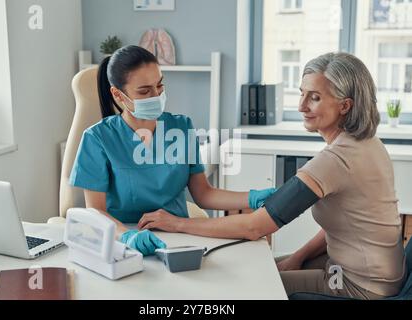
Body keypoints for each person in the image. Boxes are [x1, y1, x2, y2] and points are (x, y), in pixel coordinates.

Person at [138, 52, 407, 300]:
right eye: (301, 94)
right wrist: (298, 257)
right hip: (374, 274)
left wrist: (176, 224)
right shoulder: (368, 143)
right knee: (263, 265)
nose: (302, 106)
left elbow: (254, 227)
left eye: (314, 97)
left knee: (245, 286)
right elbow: (345, 224)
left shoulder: (335, 161)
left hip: (360, 287)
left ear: (345, 106)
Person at [69, 45, 275, 257]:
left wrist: (252, 197)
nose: (156, 95)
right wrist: (127, 236)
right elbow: (96, 212)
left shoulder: (181, 127)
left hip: (178, 236)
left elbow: (204, 194)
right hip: (123, 240)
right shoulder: (98, 138)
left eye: (159, 85)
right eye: (144, 91)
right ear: (118, 95)